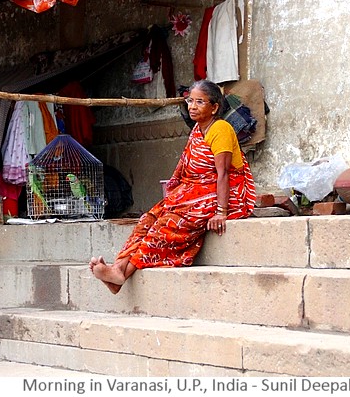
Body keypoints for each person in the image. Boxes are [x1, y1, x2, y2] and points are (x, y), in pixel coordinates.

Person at [89, 79, 256, 294]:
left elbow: (223, 174)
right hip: (194, 190)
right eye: (190, 101)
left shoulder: (221, 129)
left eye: (200, 102)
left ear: (214, 107)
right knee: (148, 219)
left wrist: (221, 213)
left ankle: (121, 274)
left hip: (224, 193)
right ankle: (119, 268)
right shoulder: (198, 129)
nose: (192, 107)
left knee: (167, 224)